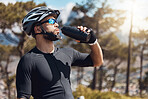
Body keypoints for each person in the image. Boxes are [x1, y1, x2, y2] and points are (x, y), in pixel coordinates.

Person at [16, 6, 103, 99]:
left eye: (56, 21)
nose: (56, 25)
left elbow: (97, 62)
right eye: (51, 21)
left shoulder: (67, 53)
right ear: (38, 29)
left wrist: (92, 41)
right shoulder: (28, 60)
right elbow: (23, 96)